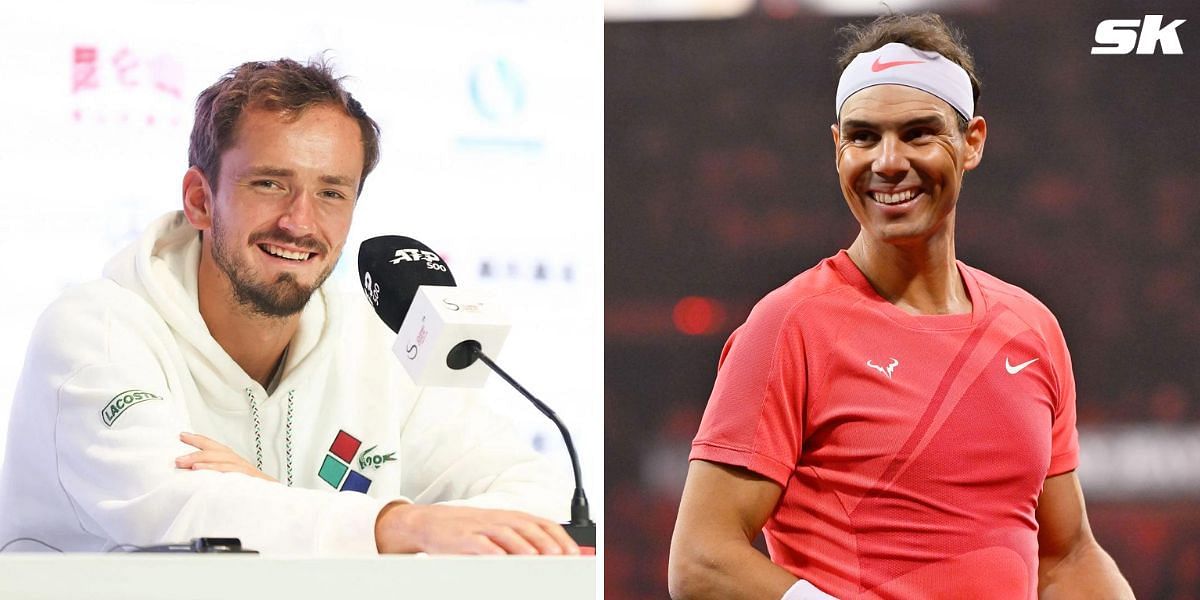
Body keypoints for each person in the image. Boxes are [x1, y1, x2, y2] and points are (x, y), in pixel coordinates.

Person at [0, 58, 578, 556]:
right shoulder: (94, 331)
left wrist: (268, 498)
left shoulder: (375, 341)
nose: (300, 222)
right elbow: (168, 510)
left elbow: (537, 495)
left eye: (331, 192)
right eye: (270, 184)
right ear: (201, 200)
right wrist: (393, 524)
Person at [668, 14, 1132, 600]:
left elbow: (1067, 557)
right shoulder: (789, 326)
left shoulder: (1031, 328)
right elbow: (702, 560)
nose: (887, 161)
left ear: (972, 143)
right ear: (838, 148)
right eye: (863, 136)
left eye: (917, 133)